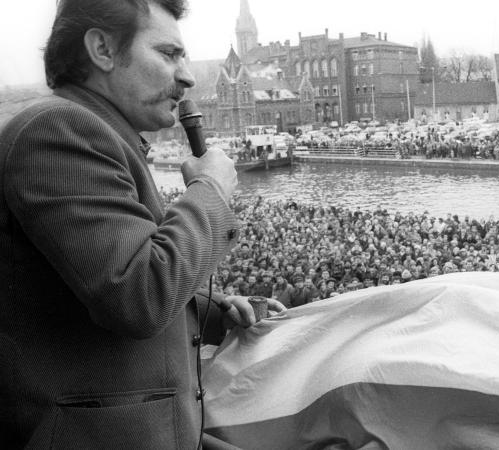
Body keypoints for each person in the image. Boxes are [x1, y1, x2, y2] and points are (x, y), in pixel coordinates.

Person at [0, 1, 285, 448]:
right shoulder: (60, 130)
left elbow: (83, 297)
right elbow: (138, 294)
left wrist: (214, 312)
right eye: (169, 54)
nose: (187, 75)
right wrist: (209, 189)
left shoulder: (106, 139)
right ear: (103, 49)